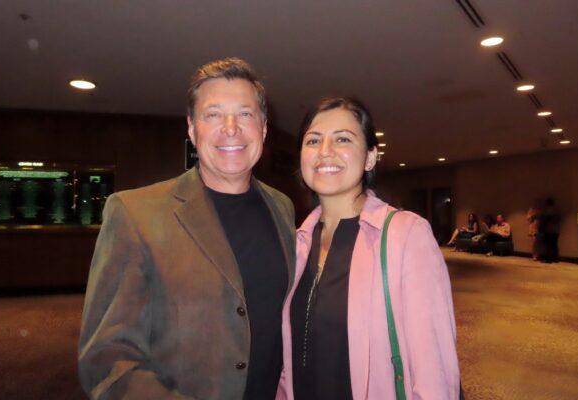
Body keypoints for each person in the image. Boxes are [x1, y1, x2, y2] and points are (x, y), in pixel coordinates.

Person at [78, 58, 296, 400]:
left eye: (245, 113)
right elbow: (106, 360)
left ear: (264, 128)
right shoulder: (135, 213)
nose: (231, 127)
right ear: (192, 129)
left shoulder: (283, 207)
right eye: (213, 115)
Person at [277, 97, 460, 399]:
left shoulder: (406, 235)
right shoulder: (296, 243)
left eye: (343, 139)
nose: (325, 151)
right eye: (313, 140)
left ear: (370, 157)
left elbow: (434, 371)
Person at [539, 197, 561, 263]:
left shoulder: (546, 211)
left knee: (548, 245)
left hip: (548, 230)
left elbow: (543, 221)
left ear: (547, 204)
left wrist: (541, 229)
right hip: (556, 230)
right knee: (554, 245)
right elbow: (559, 219)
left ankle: (548, 259)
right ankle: (555, 258)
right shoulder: (557, 211)